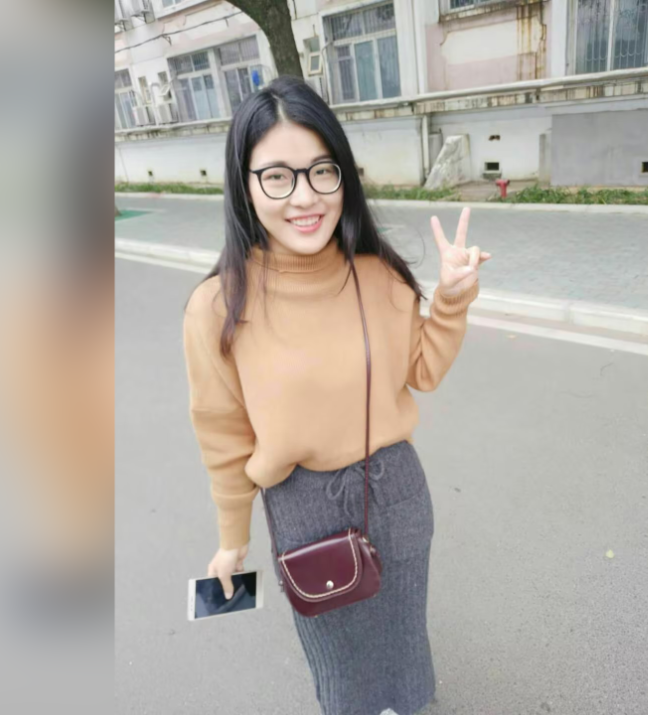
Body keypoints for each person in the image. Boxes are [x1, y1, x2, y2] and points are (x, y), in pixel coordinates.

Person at [181, 75, 491, 715]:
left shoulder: (379, 275)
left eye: (323, 171)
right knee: (341, 662)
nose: (305, 196)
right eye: (277, 176)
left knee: (403, 638)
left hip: (396, 491)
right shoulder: (217, 306)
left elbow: (422, 369)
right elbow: (222, 432)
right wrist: (232, 538)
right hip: (302, 507)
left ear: (343, 176)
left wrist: (451, 302)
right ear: (244, 185)